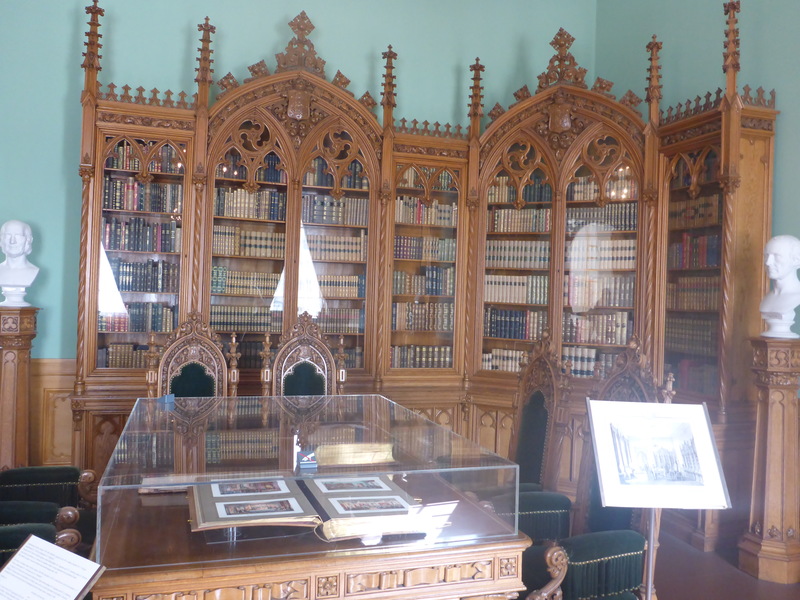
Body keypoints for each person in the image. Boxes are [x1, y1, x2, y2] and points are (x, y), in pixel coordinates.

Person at [759, 234, 800, 338]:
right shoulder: (767, 299)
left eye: (777, 256)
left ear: (796, 260)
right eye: (766, 255)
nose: (768, 262)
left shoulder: (797, 296)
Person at [0, 219, 39, 306]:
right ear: (1, 240)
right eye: (7, 235)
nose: (12, 241)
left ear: (28, 240)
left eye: (18, 235)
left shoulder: (33, 271)